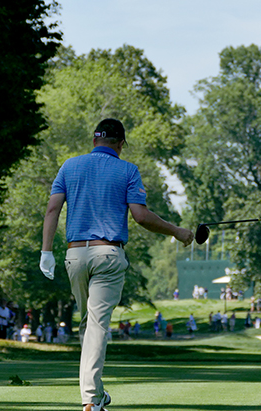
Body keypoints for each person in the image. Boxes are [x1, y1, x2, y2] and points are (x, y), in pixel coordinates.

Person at [40, 118, 193, 411]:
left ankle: (95, 392)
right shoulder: (127, 170)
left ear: (94, 140)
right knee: (96, 326)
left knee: (88, 324)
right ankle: (90, 401)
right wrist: (177, 231)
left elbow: (52, 209)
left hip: (74, 256)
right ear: (121, 143)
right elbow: (141, 216)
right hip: (108, 255)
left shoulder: (69, 166)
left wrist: (46, 252)